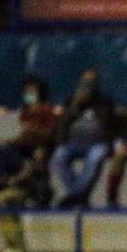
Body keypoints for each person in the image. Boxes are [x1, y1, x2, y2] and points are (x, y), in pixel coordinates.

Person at [50, 69, 116, 208]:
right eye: (85, 81)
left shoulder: (105, 100)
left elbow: (106, 121)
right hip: (74, 143)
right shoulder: (72, 100)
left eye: (91, 81)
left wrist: (90, 102)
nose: (88, 84)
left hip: (98, 143)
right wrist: (76, 106)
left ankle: (74, 196)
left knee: (93, 159)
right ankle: (78, 195)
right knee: (58, 158)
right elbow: (63, 122)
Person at [12, 76, 60, 157]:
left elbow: (51, 134)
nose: (28, 94)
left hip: (45, 145)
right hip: (26, 144)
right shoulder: (25, 111)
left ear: (40, 93)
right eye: (26, 91)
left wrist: (34, 129)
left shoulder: (47, 109)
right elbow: (24, 133)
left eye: (32, 92)